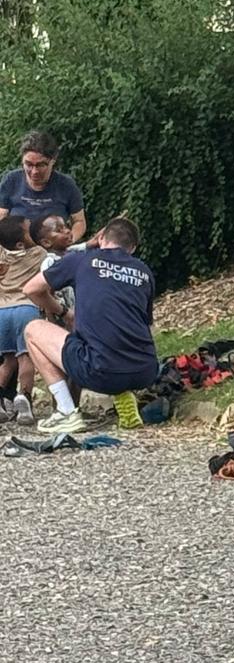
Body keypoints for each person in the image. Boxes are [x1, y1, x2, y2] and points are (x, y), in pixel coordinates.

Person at [20, 216, 157, 437]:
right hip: (145, 371)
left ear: (101, 238)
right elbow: (146, 323)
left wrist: (64, 312)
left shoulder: (81, 260)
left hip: (101, 371)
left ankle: (66, 412)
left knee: (33, 329)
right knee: (108, 336)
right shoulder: (144, 272)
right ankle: (123, 394)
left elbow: (30, 289)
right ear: (132, 248)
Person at [0, 217, 47, 424]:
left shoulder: (1, 254)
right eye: (30, 231)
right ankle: (24, 398)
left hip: (2, 310)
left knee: (7, 361)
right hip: (26, 308)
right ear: (20, 244)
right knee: (25, 358)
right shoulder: (39, 253)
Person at [0, 131, 87, 243]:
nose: (34, 171)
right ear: (22, 160)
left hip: (53, 248)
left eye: (41, 165)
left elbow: (79, 221)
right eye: (29, 164)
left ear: (53, 161)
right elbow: (2, 216)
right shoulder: (11, 180)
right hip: (19, 247)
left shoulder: (66, 185)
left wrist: (69, 240)